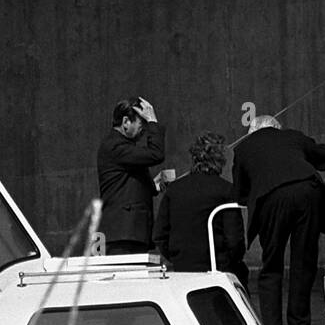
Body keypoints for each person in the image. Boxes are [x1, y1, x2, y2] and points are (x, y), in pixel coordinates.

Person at [232, 115, 325, 325]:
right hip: (308, 191)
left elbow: (239, 194)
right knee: (303, 263)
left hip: (270, 199)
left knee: (271, 266)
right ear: (277, 128)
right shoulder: (294, 137)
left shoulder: (243, 147)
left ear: (252, 130)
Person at [153, 132, 249, 287]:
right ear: (220, 160)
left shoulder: (175, 189)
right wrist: (226, 261)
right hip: (217, 267)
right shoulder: (226, 190)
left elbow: (160, 235)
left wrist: (178, 257)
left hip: (182, 268)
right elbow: (234, 240)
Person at [97, 97, 164, 253]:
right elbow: (156, 154)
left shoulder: (119, 147)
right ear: (126, 121)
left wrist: (154, 186)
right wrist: (153, 121)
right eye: (141, 124)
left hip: (125, 233)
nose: (144, 130)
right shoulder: (116, 146)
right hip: (122, 234)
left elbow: (123, 182)